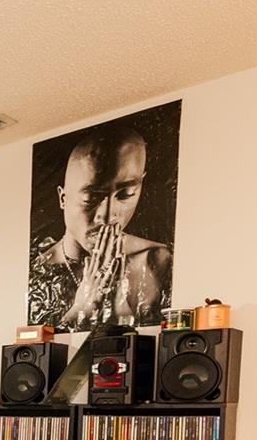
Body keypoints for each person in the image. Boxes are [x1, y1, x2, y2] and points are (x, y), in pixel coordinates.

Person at [28, 124, 172, 330]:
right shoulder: (41, 271)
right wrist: (82, 306)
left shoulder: (157, 260)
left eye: (126, 194)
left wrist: (120, 307)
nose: (107, 217)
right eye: (91, 198)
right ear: (63, 198)